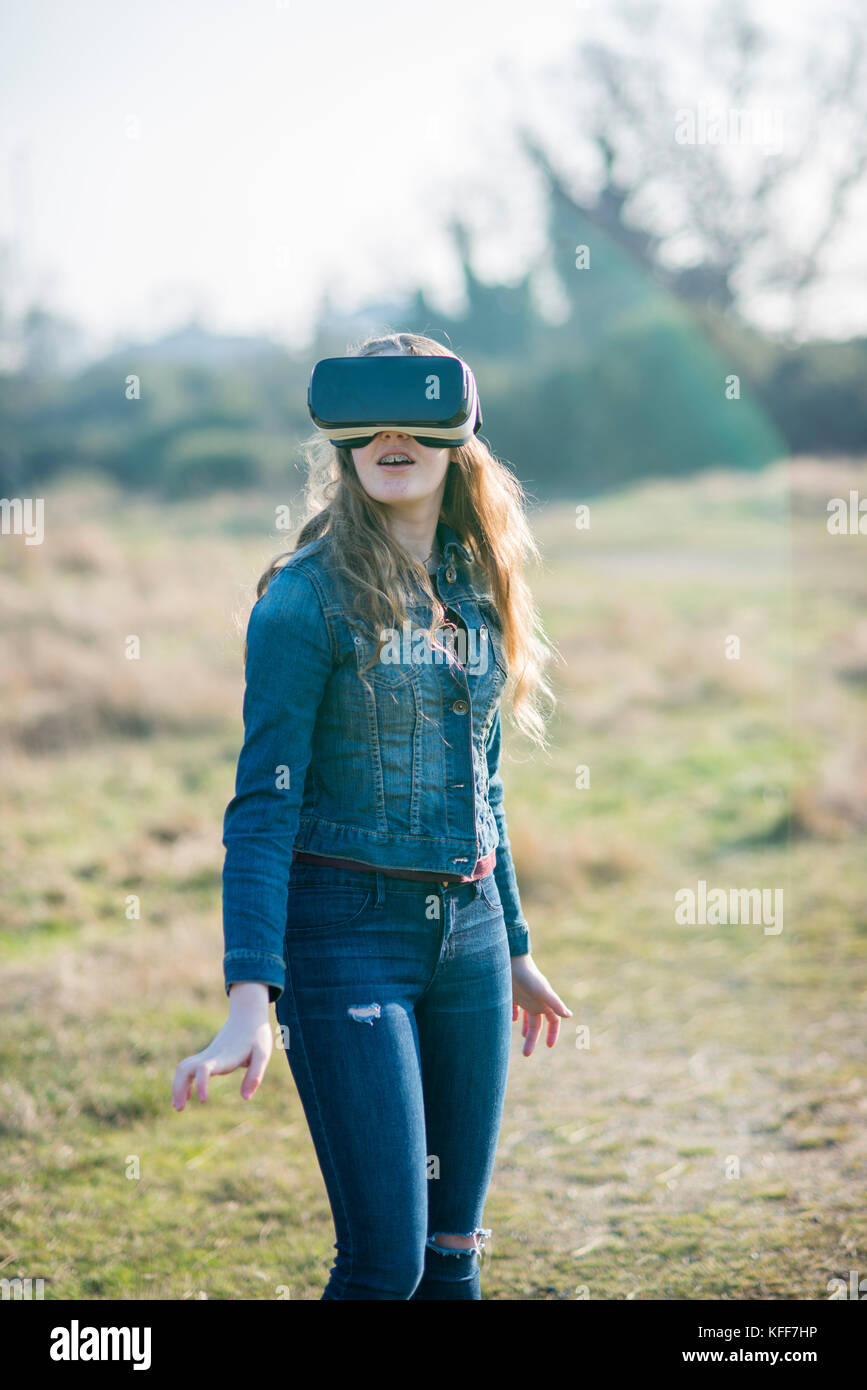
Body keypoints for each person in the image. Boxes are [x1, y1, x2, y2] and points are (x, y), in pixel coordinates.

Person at [172, 331, 571, 1299]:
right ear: (343, 443)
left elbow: (484, 782)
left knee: (452, 1257)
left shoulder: (479, 593)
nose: (394, 436)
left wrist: (513, 944)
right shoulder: (301, 606)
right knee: (385, 1263)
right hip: (345, 940)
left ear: (456, 436)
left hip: (471, 944)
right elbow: (261, 813)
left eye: (417, 418)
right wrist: (248, 999)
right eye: (371, 421)